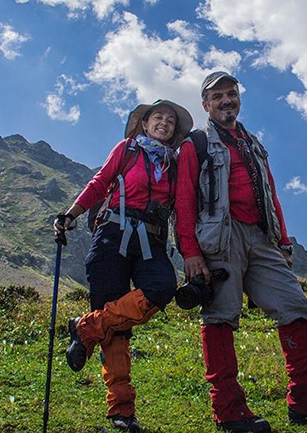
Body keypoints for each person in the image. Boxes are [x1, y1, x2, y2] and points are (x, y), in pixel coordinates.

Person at [174, 72, 307, 432]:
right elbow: (183, 201)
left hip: (262, 238)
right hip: (220, 240)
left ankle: (306, 400)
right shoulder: (194, 144)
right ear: (205, 105)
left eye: (232, 94)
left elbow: (272, 194)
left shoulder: (253, 144)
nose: (227, 101)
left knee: (294, 307)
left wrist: (283, 242)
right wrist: (191, 252)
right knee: (220, 316)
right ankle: (228, 410)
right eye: (218, 96)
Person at [54, 99, 193, 433]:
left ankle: (87, 327)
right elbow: (101, 181)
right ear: (144, 124)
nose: (164, 123)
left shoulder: (175, 164)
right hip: (112, 234)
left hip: (153, 240)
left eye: (170, 121)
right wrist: (71, 214)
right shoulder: (128, 149)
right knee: (117, 333)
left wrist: (190, 253)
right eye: (157, 117)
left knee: (161, 288)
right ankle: (122, 413)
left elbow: (184, 208)